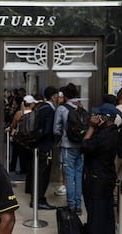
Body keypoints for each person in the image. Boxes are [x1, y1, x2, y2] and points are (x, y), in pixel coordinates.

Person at [76, 103, 118, 234]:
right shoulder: (113, 132)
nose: (94, 117)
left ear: (105, 118)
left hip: (97, 178)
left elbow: (84, 146)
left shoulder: (102, 135)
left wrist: (91, 128)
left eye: (97, 115)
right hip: (107, 176)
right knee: (107, 211)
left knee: (96, 213)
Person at [53, 83, 83, 214]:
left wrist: (61, 134)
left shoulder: (61, 109)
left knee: (69, 177)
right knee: (79, 176)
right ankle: (78, 206)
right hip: (81, 147)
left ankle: (71, 206)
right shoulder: (81, 107)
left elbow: (55, 130)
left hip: (67, 146)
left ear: (64, 96)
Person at [27, 86, 58, 210]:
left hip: (36, 145)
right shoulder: (49, 110)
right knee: (43, 174)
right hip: (45, 146)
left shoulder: (39, 107)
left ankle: (36, 198)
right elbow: (47, 131)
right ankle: (38, 200)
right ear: (53, 96)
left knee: (37, 173)